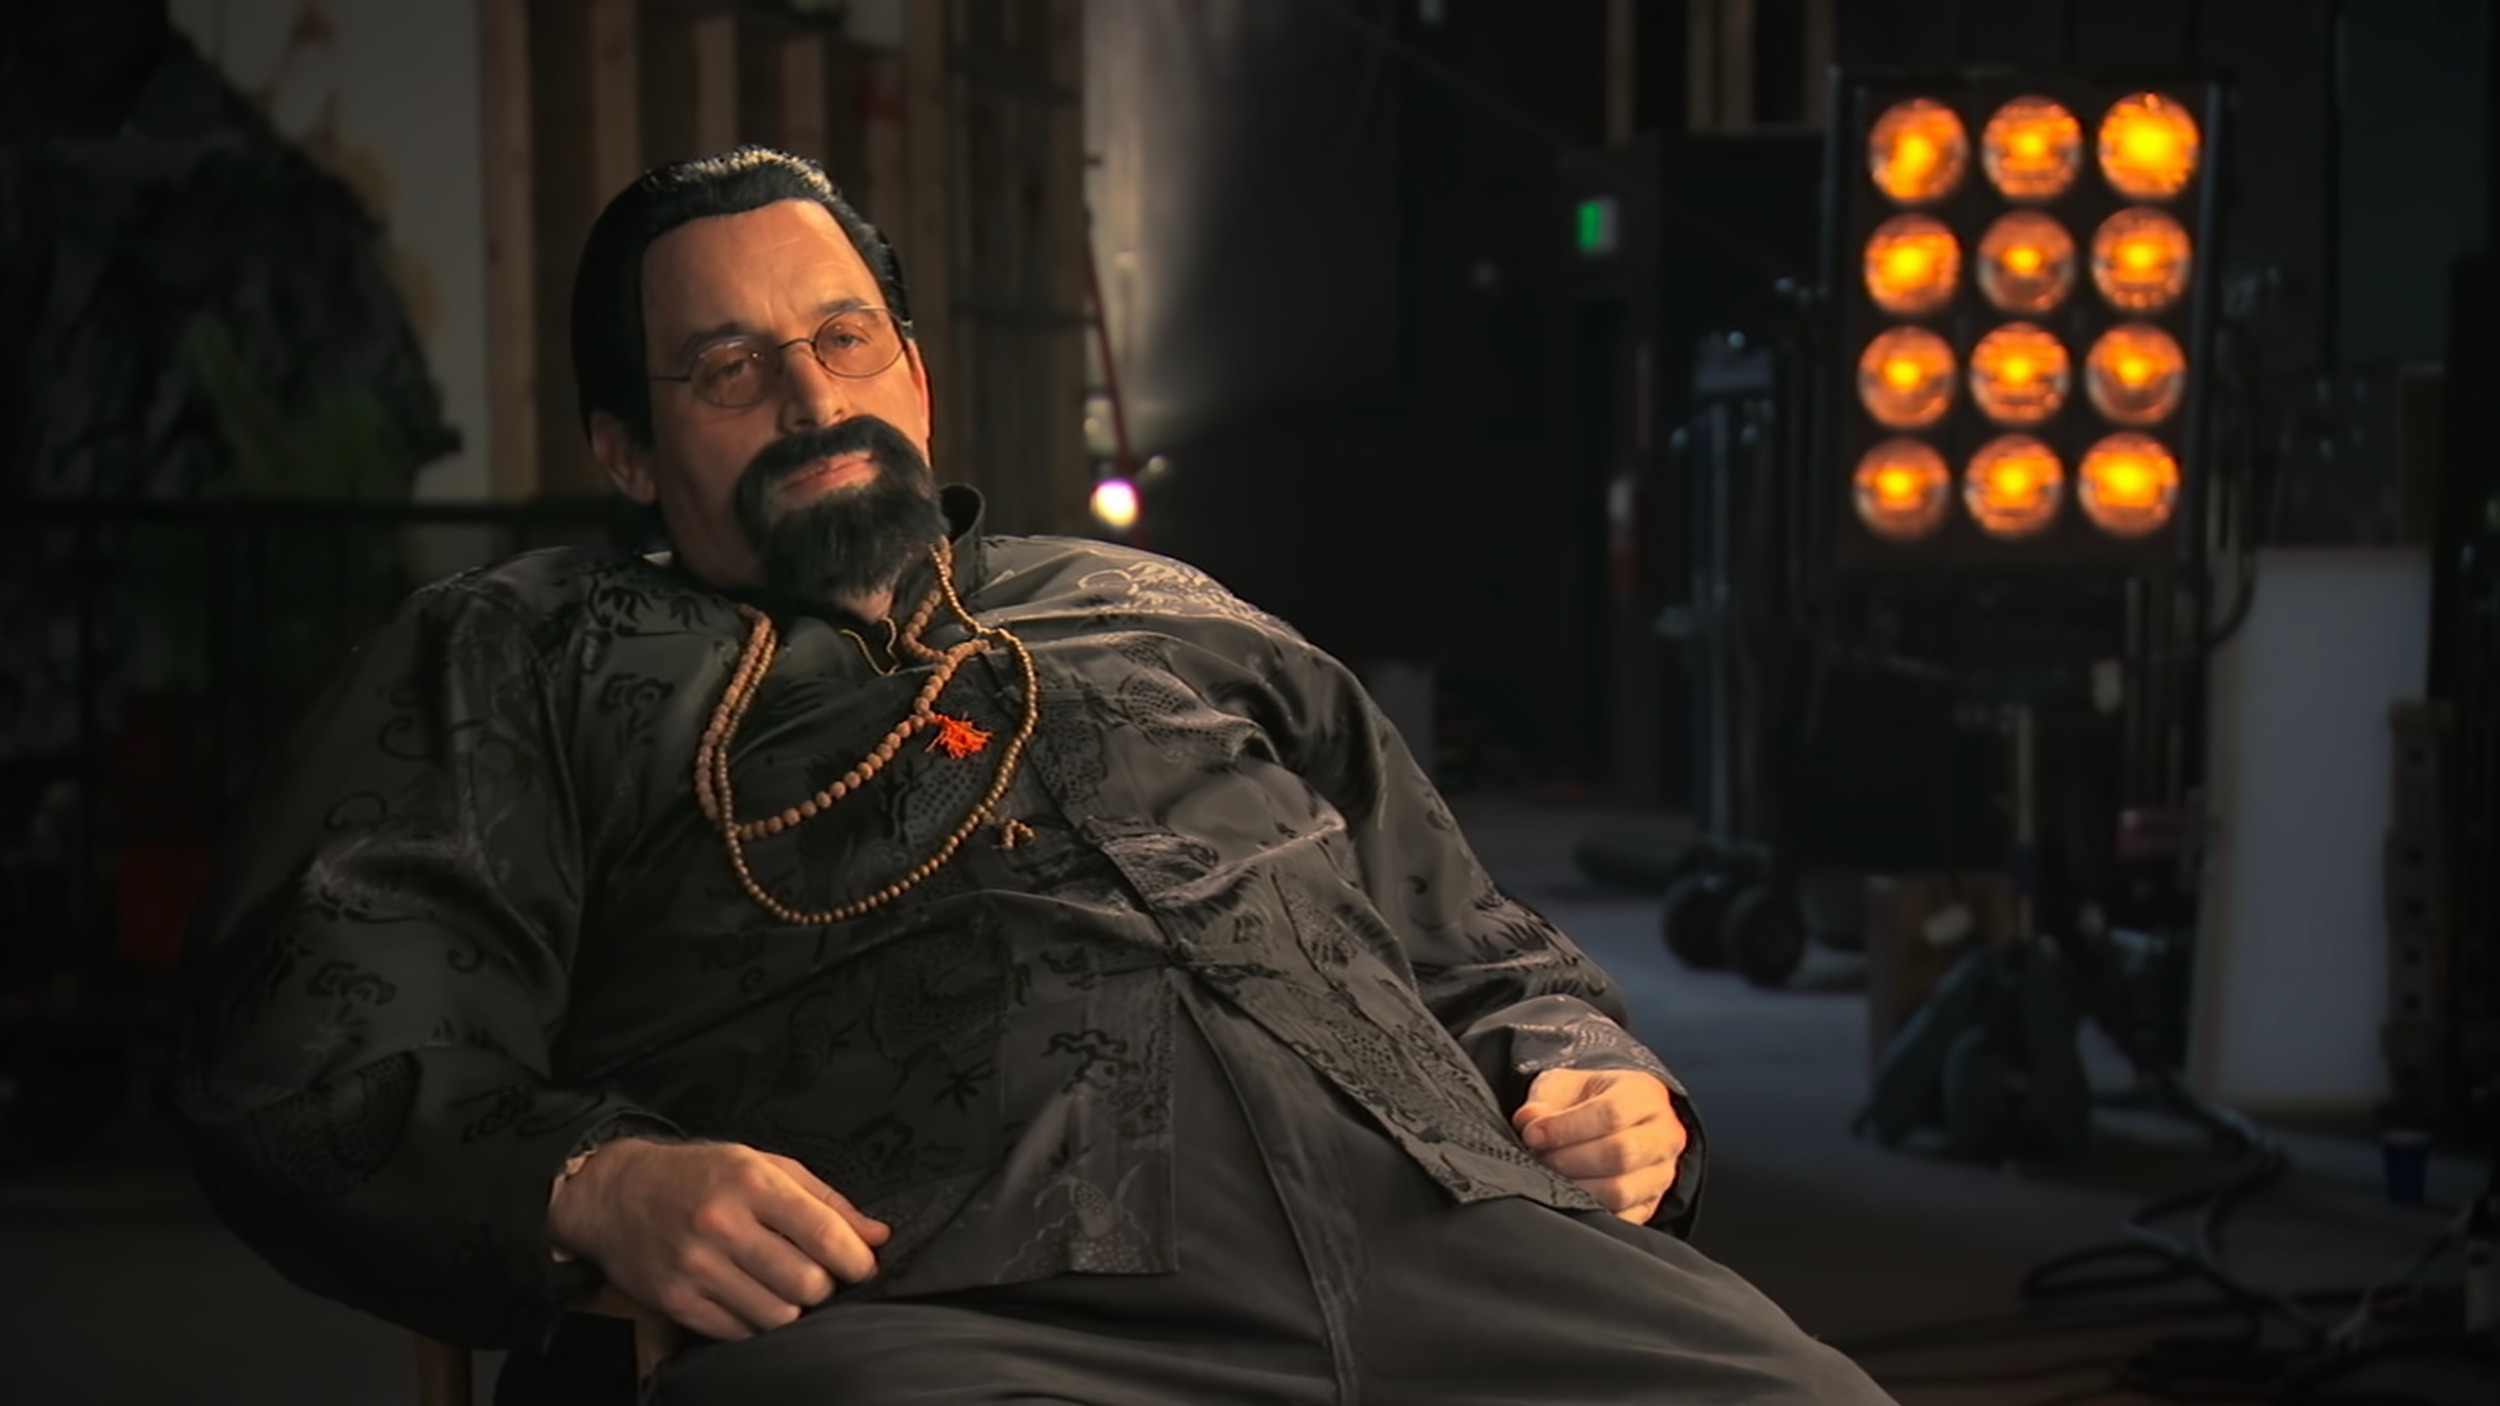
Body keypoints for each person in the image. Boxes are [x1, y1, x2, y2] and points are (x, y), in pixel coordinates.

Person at [173, 146, 1894, 1406]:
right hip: (958, 1304)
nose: (808, 397)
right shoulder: (524, 655)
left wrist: (1596, 1066)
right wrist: (594, 1183)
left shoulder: (1161, 606)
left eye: (846, 342)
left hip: (1461, 1246)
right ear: (624, 449)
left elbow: (1486, 944)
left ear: (915, 378)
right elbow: (318, 1044)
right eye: (726, 369)